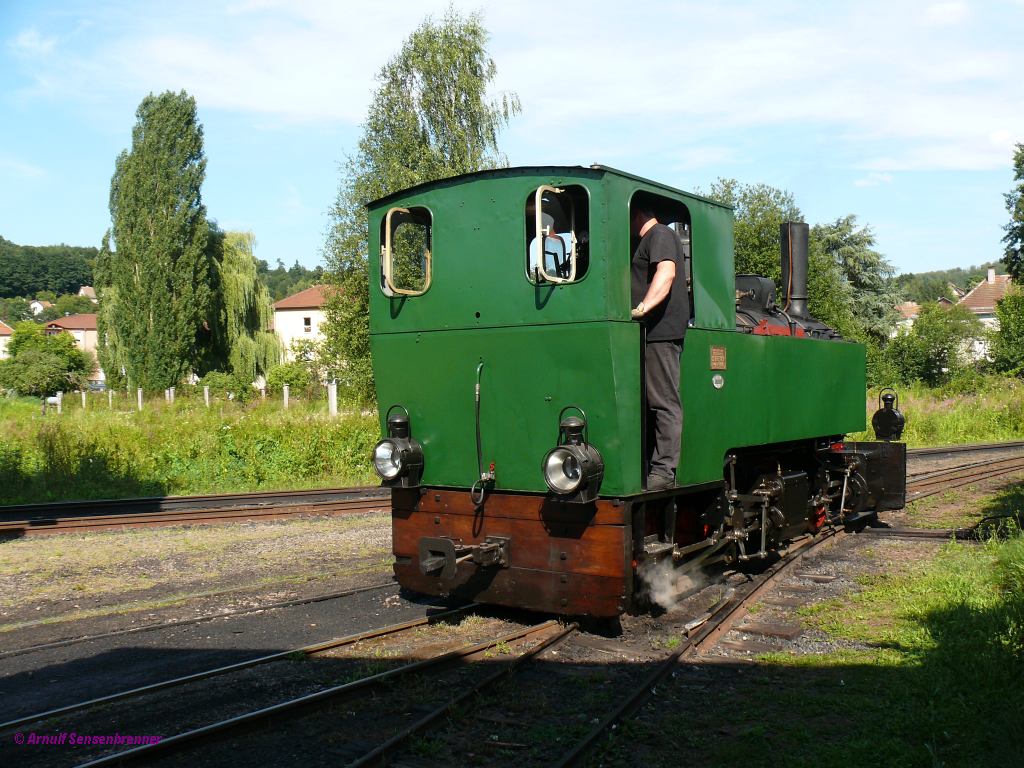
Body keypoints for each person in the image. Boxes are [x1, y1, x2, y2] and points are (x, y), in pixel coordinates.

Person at [630, 207, 689, 490]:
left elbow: (666, 273)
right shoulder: (648, 239)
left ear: (638, 213)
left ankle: (664, 471)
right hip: (647, 332)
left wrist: (642, 307)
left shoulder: (660, 234)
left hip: (660, 332)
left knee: (664, 402)